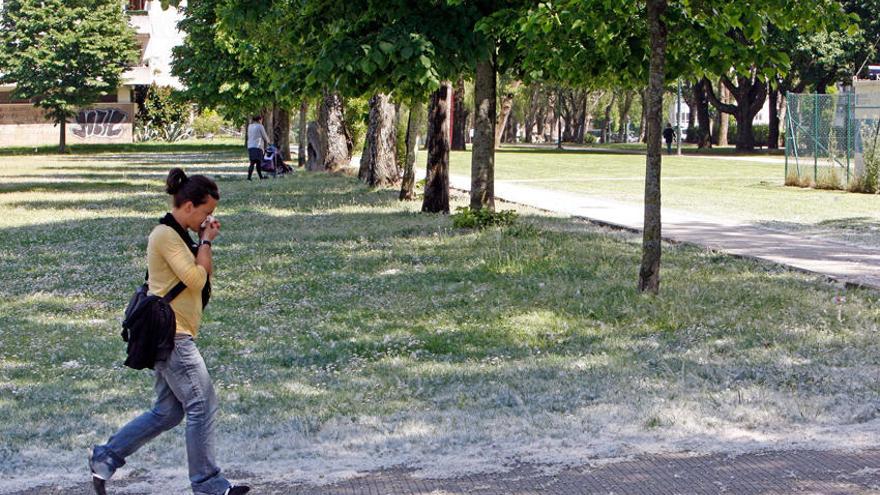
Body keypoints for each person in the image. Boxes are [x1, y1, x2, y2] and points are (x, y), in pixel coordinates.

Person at [89, 169, 249, 495]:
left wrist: (204, 243)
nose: (208, 219)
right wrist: (204, 242)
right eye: (206, 212)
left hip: (178, 332)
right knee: (202, 404)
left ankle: (105, 457)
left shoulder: (181, 236)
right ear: (188, 205)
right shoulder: (165, 235)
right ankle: (208, 485)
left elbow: (206, 275)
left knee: (167, 412)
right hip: (173, 336)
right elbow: (196, 279)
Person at [247, 115, 271, 180]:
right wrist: (269, 142)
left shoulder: (250, 126)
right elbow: (264, 135)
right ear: (259, 119)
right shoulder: (260, 126)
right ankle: (256, 177)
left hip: (250, 146)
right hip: (257, 146)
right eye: (261, 120)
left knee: (253, 162)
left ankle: (254, 177)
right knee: (258, 162)